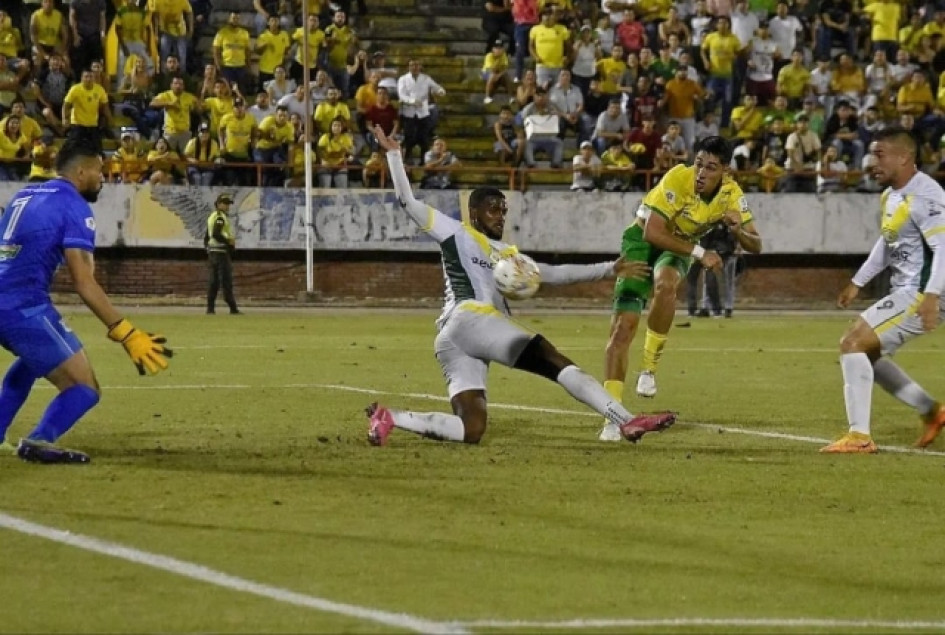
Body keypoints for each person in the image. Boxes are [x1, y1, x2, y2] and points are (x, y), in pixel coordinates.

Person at [365, 125, 677, 446]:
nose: (500, 216)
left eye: (503, 210)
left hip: (453, 339)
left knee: (471, 429)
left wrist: (609, 268)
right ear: (474, 213)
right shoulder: (456, 232)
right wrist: (393, 156)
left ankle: (391, 418)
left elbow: (552, 273)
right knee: (552, 359)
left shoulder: (510, 255)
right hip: (471, 318)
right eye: (492, 210)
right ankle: (626, 420)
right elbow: (408, 202)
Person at [0, 141, 172, 463]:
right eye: (99, 170)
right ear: (81, 171)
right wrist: (126, 333)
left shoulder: (25, 194)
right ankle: (40, 440)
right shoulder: (75, 206)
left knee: (32, 360)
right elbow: (84, 282)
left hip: (6, 299)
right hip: (22, 307)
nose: (103, 178)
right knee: (85, 386)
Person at [600, 136, 763, 440]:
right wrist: (702, 253)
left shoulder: (731, 194)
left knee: (666, 284)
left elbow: (757, 245)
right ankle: (612, 416)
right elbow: (652, 231)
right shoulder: (678, 177)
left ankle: (648, 369)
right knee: (623, 328)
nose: (701, 173)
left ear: (725, 171)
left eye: (711, 167)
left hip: (677, 248)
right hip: (641, 241)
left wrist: (738, 230)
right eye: (699, 164)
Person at [822, 128, 945, 454]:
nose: (871, 162)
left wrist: (932, 296)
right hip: (908, 289)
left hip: (922, 292)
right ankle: (932, 411)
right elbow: (888, 242)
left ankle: (860, 437)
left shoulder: (926, 196)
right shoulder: (891, 194)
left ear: (904, 157)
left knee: (852, 343)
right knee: (868, 354)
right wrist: (858, 281)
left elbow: (943, 246)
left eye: (879, 155)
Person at [204, 194, 242, 315]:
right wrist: (229, 242)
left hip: (213, 253)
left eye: (228, 204)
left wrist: (208, 248)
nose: (227, 207)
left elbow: (207, 236)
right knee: (226, 281)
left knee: (213, 281)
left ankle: (210, 308)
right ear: (218, 204)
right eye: (225, 204)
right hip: (221, 253)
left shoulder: (212, 216)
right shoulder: (220, 217)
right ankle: (233, 308)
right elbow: (216, 233)